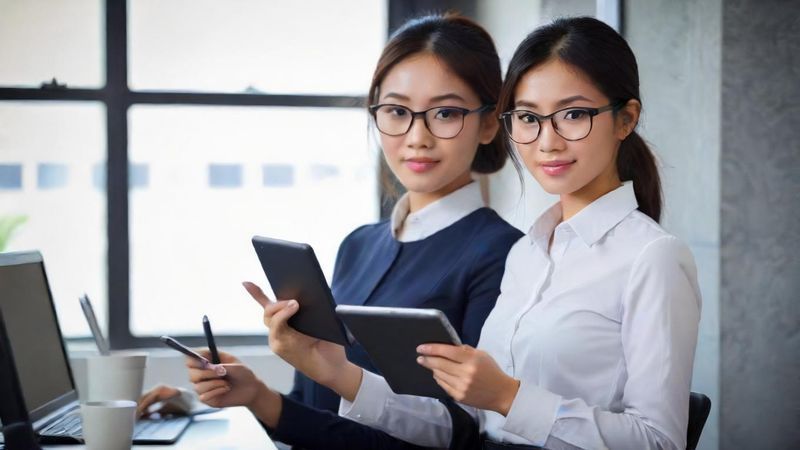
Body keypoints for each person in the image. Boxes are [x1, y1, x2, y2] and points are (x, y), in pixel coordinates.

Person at [263, 16, 702, 450]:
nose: (547, 141)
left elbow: (661, 441)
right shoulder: (527, 254)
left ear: (625, 120)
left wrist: (509, 397)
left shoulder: (653, 257)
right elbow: (465, 426)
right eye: (528, 118)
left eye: (573, 114)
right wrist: (337, 373)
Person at [138, 13, 523, 449]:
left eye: (446, 113)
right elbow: (317, 410)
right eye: (397, 111)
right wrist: (254, 395)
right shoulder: (358, 245)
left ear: (490, 123)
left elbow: (464, 434)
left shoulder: (505, 255)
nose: (417, 136)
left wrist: (338, 375)